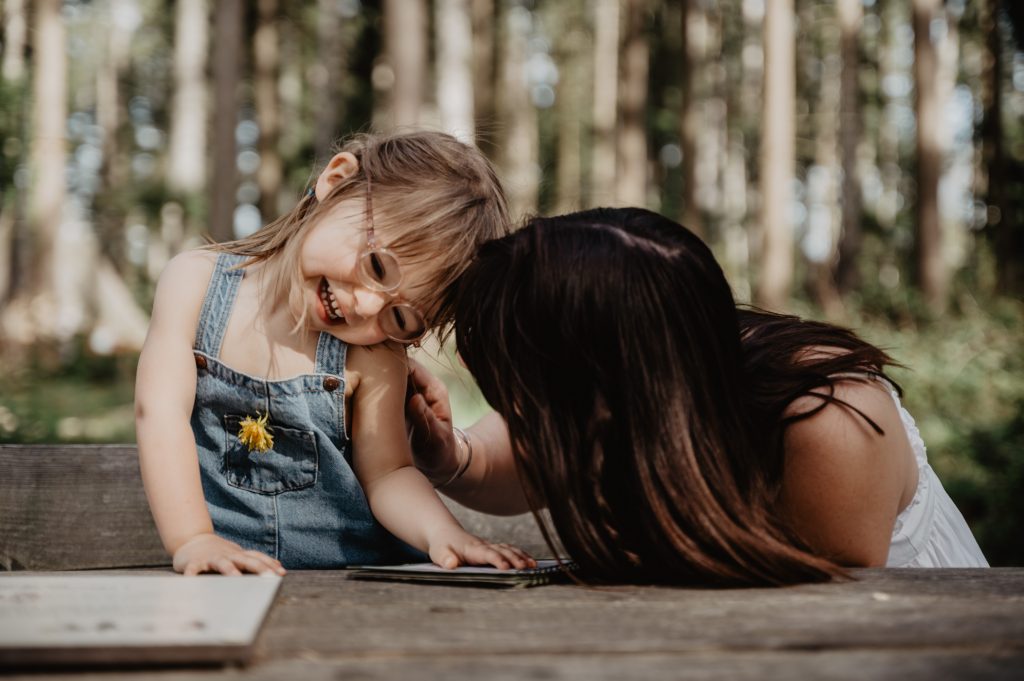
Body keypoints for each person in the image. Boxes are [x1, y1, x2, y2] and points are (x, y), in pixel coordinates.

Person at [406, 207, 988, 586]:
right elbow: (534, 452)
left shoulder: (831, 420)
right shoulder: (647, 375)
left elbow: (826, 623)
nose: (463, 362)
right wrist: (450, 454)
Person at [135, 131, 534, 576]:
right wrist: (193, 539)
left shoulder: (374, 355)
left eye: (399, 318)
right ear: (336, 179)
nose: (366, 307)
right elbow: (160, 413)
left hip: (354, 577)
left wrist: (445, 533)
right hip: (226, 575)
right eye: (377, 266)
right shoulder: (194, 285)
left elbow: (388, 475)